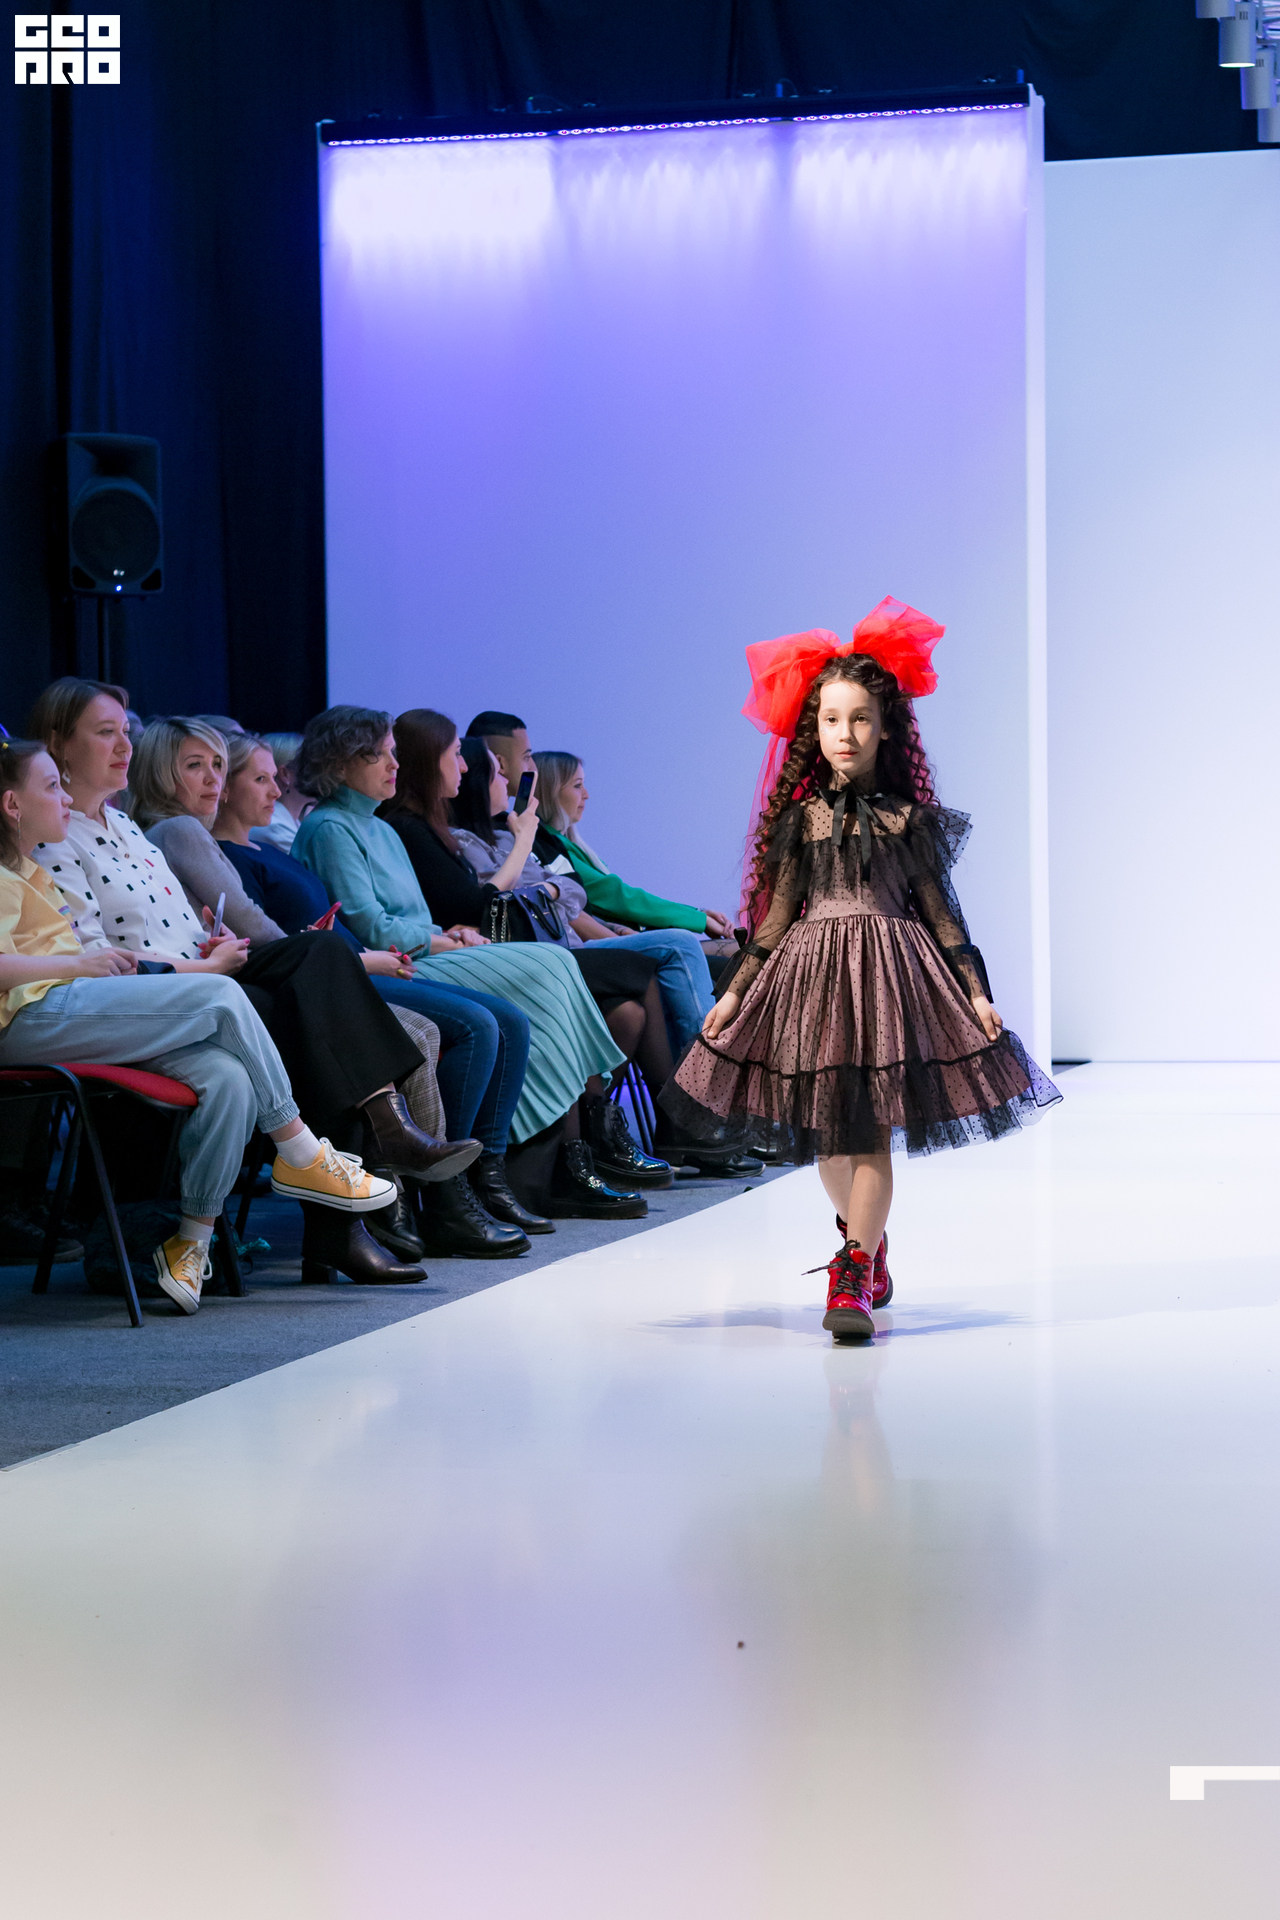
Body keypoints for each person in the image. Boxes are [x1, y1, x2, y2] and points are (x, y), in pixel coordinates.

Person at [663, 597, 1062, 1342]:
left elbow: (944, 917)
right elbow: (775, 921)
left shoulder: (909, 821)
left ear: (885, 728)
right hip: (813, 980)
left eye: (859, 719)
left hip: (887, 978)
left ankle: (851, 1273)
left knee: (870, 1131)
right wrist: (736, 994)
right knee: (829, 1137)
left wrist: (976, 993)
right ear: (813, 730)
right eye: (830, 720)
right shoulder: (801, 822)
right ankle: (866, 1244)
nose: (844, 734)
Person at [27, 684, 472, 1285]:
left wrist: (210, 945)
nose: (124, 745)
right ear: (58, 743)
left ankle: (365, 1179)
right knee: (313, 1002)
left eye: (125, 731)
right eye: (105, 733)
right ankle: (354, 1198)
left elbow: (184, 925)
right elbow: (93, 955)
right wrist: (204, 967)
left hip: (203, 975)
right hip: (155, 995)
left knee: (318, 985)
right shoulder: (54, 834)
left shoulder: (128, 827)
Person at [0, 738, 402, 1315]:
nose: (64, 797)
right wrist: (79, 964)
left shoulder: (31, 868)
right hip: (27, 1017)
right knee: (221, 994)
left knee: (228, 1076)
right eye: (50, 787)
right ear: (12, 805)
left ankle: (190, 1245)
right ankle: (301, 1152)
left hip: (69, 1003)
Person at [291, 706, 648, 1224]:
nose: (393, 764)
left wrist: (447, 933)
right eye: (378, 755)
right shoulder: (330, 828)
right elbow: (371, 926)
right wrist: (441, 940)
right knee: (548, 968)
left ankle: (501, 1173)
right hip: (392, 965)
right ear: (340, 763)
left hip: (420, 953)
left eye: (393, 752)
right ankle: (493, 1175)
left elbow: (414, 917)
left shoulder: (377, 827)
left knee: (520, 1012)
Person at [210, 725, 538, 1256]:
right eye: (260, 779)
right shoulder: (306, 835)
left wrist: (425, 938)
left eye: (275, 777)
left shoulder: (297, 845)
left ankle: (478, 1180)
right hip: (344, 974)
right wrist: (380, 953)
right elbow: (296, 939)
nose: (277, 789)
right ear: (341, 765)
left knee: (511, 1017)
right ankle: (432, 1197)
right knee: (468, 1025)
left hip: (359, 965)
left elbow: (336, 926)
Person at [380, 713, 672, 1190]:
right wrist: (525, 848)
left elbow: (570, 890)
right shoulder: (433, 832)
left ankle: (593, 1145)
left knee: (629, 1009)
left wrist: (537, 884)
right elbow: (484, 905)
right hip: (486, 952)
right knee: (647, 960)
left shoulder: (454, 832)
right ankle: (668, 1120)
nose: (466, 768)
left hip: (500, 946)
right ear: (431, 762)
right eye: (457, 757)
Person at [249, 732, 311, 852]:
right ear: (284, 774)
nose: (322, 773)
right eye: (312, 766)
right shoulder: (274, 825)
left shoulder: (293, 820)